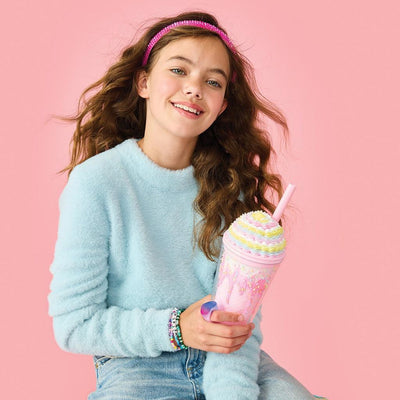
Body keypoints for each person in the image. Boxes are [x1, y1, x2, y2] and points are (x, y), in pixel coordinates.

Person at [48, 11, 321, 400]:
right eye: (179, 70)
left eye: (212, 81)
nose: (194, 88)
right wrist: (177, 328)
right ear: (143, 82)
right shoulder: (96, 184)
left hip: (231, 364)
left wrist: (232, 394)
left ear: (223, 105)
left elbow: (238, 324)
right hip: (137, 369)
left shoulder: (231, 189)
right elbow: (74, 326)